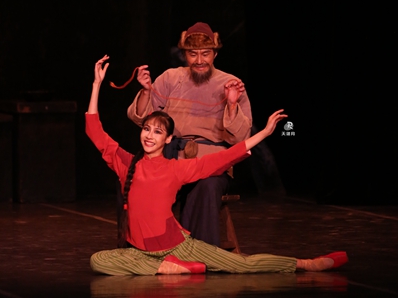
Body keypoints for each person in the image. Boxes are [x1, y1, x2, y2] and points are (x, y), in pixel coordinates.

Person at [87, 55, 348, 276]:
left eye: (157, 132)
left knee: (241, 264)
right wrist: (97, 84)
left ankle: (306, 263)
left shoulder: (176, 169)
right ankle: (165, 267)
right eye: (146, 129)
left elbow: (224, 157)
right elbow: (95, 132)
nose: (149, 136)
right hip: (141, 252)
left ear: (168, 139)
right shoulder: (126, 163)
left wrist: (265, 133)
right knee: (98, 260)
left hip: (179, 247)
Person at [127, 22, 252, 246]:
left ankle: (200, 250)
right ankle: (144, 247)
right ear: (184, 54)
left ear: (215, 54)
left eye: (205, 54)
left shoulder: (230, 83)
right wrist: (146, 91)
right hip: (172, 161)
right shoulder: (170, 78)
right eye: (193, 54)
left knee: (207, 185)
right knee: (135, 180)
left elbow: (241, 138)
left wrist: (232, 105)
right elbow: (143, 120)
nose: (199, 60)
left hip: (210, 163)